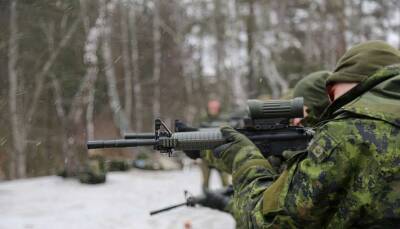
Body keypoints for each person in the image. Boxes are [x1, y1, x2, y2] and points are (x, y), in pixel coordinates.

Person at [198, 40, 400, 228]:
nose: (334, 104)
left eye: (334, 94)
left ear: (355, 81)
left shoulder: (345, 135)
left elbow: (269, 220)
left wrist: (244, 160)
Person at [198, 100, 231, 191]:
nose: (213, 110)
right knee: (205, 182)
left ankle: (227, 199)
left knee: (225, 182)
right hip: (206, 156)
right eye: (211, 108)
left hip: (221, 156)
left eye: (215, 108)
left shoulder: (224, 120)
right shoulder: (203, 120)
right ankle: (206, 197)